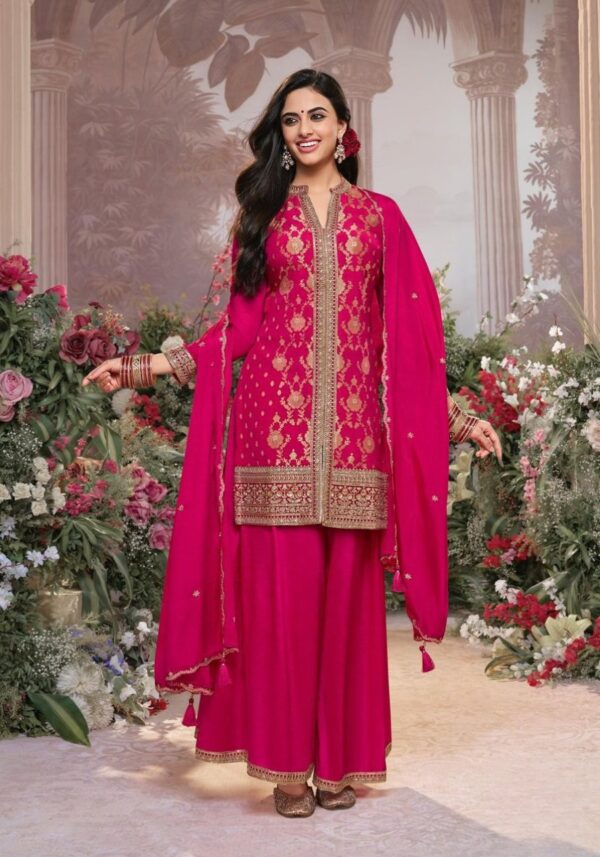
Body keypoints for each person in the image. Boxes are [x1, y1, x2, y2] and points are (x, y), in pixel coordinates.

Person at [83, 68, 502, 818]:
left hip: (355, 444)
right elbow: (235, 333)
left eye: (316, 116)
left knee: (347, 612)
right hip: (271, 439)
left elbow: (405, 345)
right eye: (290, 120)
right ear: (282, 135)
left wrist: (458, 418)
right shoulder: (265, 220)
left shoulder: (381, 219)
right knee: (280, 606)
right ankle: (285, 767)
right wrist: (142, 366)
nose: (304, 130)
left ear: (343, 127)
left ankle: (339, 762)